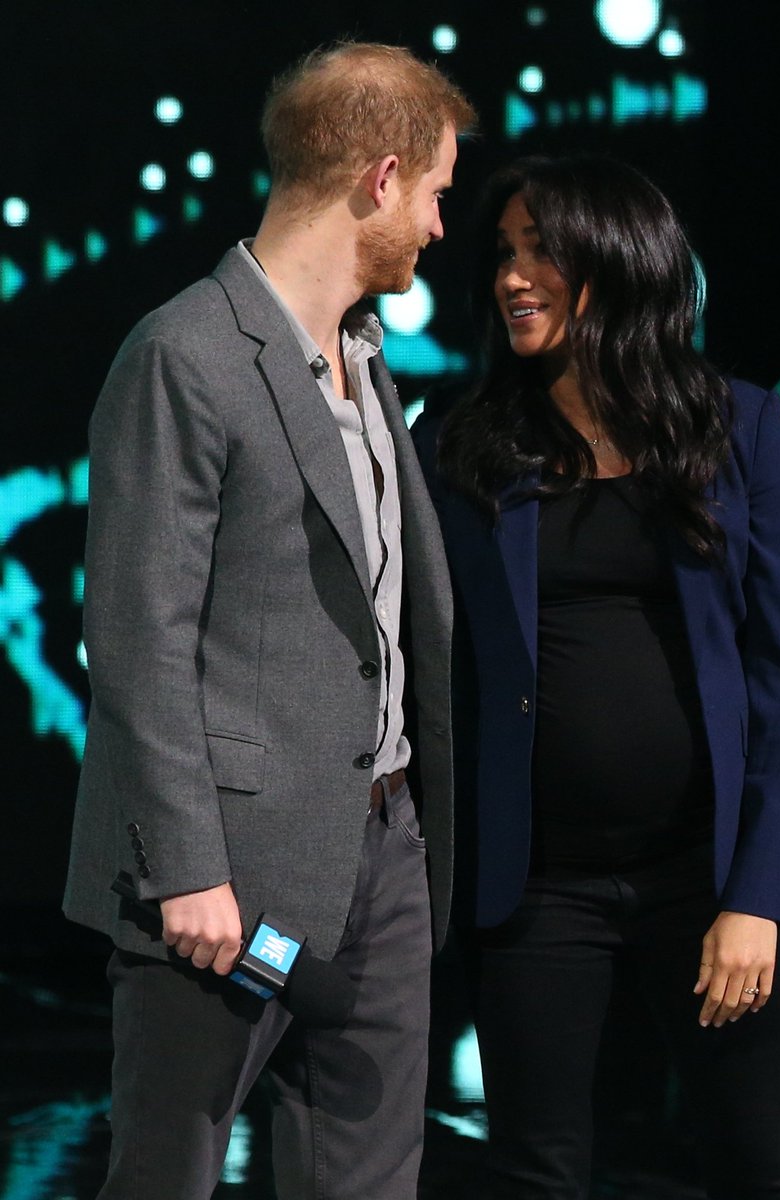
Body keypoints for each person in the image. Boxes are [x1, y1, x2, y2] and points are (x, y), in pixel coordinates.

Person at [63, 42, 475, 1200]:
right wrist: (189, 868)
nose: (442, 227)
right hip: (227, 880)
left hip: (382, 855)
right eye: (438, 194)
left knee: (368, 1181)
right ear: (381, 178)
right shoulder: (186, 355)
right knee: (166, 1177)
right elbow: (137, 638)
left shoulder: (362, 355)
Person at [412, 154, 780, 1199]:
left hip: (707, 877)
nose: (513, 275)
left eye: (542, 249)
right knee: (536, 1173)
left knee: (754, 1167)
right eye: (503, 253)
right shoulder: (461, 447)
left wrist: (756, 899)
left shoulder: (739, 432)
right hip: (537, 885)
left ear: (621, 259)